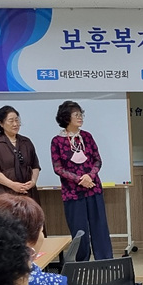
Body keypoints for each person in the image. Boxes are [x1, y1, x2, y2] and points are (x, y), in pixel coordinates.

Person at [51, 100, 114, 262]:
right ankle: (82, 263)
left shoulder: (87, 136)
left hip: (93, 188)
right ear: (66, 117)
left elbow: (97, 160)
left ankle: (105, 261)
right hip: (72, 193)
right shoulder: (57, 141)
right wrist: (79, 179)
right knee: (79, 230)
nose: (80, 117)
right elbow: (58, 168)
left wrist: (89, 176)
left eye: (81, 114)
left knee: (100, 226)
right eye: (76, 115)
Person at [0, 105, 41, 204]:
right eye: (11, 121)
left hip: (28, 192)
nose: (15, 124)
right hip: (6, 193)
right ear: (1, 123)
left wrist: (33, 181)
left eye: (17, 120)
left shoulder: (26, 142)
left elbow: (35, 166)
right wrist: (12, 185)